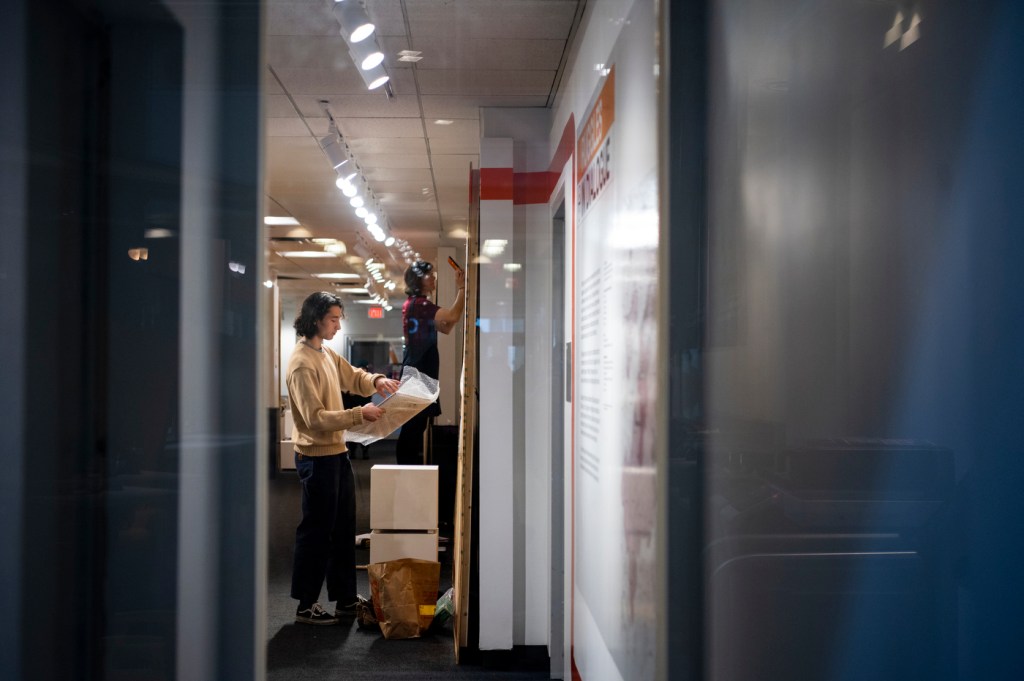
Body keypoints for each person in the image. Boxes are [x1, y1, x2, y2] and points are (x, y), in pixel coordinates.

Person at [286, 291, 399, 625]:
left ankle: (345, 600)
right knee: (317, 531)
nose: (338, 324)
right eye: (333, 318)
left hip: (336, 454)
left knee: (343, 528)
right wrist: (357, 415)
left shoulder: (325, 353)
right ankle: (306, 604)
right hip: (315, 458)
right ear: (316, 319)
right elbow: (314, 419)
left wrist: (376, 380)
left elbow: (353, 376)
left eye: (339, 318)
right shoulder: (301, 364)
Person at [396, 260, 465, 465]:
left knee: (415, 428)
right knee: (414, 429)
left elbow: (446, 326)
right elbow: (451, 317)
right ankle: (407, 473)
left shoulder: (414, 304)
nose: (434, 278)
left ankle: (408, 472)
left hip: (418, 371)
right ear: (419, 279)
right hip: (419, 372)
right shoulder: (420, 305)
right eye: (430, 275)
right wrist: (462, 288)